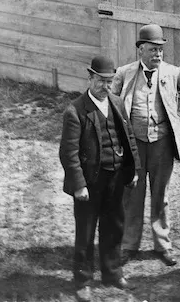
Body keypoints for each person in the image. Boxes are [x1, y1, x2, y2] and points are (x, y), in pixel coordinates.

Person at [111, 23, 180, 266]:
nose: (158, 55)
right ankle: (128, 245)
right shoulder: (125, 73)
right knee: (132, 193)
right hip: (134, 144)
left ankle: (162, 246)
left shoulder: (172, 73)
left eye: (160, 50)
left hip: (162, 143)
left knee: (160, 194)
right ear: (140, 50)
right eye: (153, 50)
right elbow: (110, 102)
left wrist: (179, 115)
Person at [59, 56, 140, 302]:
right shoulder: (75, 110)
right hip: (90, 183)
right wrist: (79, 185)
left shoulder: (116, 102)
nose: (105, 87)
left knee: (114, 226)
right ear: (90, 78)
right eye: (101, 81)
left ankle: (112, 273)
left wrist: (133, 170)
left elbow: (129, 138)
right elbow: (69, 153)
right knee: (85, 232)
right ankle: (83, 281)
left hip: (115, 178)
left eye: (109, 81)